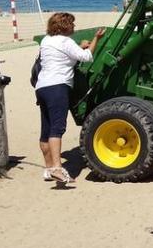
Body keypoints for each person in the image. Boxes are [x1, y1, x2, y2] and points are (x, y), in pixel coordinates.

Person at [35, 13, 105, 184]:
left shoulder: (46, 40)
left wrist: (79, 47)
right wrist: (96, 39)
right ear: (65, 26)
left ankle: (49, 169)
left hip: (42, 87)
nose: (74, 26)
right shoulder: (66, 42)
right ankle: (58, 169)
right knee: (57, 129)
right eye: (72, 24)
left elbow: (63, 56)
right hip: (58, 87)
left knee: (46, 129)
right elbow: (87, 57)